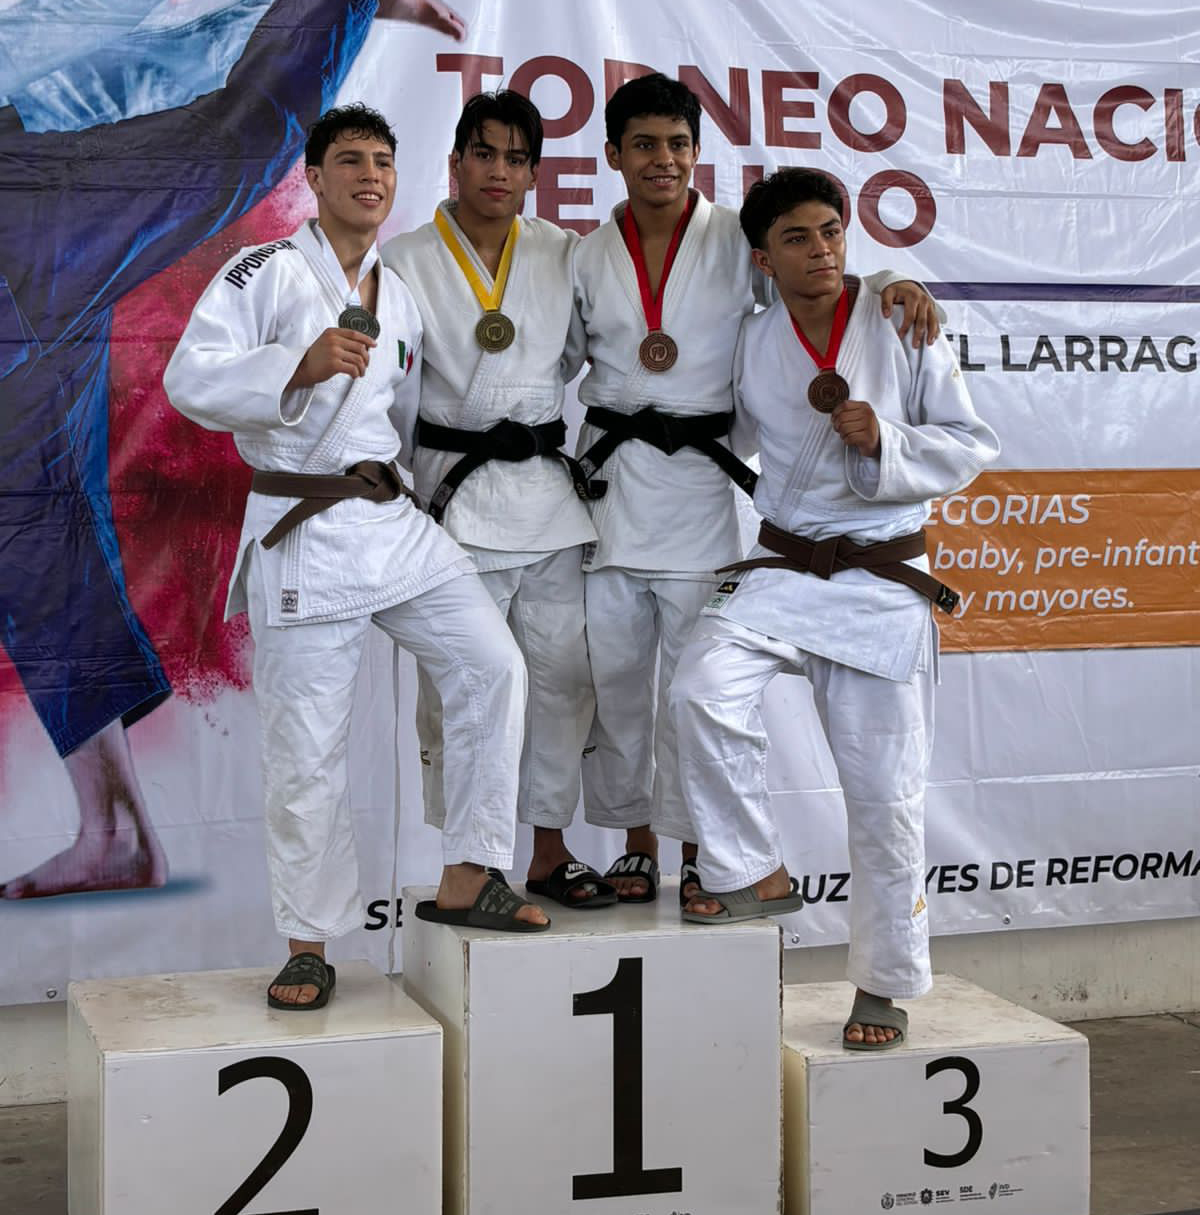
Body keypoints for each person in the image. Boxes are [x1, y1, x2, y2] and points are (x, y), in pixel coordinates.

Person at [0, 0, 467, 900]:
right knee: (32, 522)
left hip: (24, 212)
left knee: (231, 145)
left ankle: (116, 827)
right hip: (24, 249)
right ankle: (116, 828)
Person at [164, 103, 548, 1011]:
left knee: (492, 665)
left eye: (382, 161)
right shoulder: (262, 269)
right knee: (307, 748)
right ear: (314, 177)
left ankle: (471, 870)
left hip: (388, 516)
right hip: (304, 527)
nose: (369, 176)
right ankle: (309, 944)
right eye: (349, 160)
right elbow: (188, 376)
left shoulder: (397, 291)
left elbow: (399, 419)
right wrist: (294, 367)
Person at [571, 72, 943, 905]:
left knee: (691, 678)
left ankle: (704, 851)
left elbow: (825, 283)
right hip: (617, 476)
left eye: (677, 144)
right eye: (644, 144)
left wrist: (897, 278)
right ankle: (636, 838)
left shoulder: (737, 240)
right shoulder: (586, 253)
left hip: (704, 479)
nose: (663, 159)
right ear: (614, 155)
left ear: (697, 153)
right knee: (617, 679)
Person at [669, 167, 999, 1049]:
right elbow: (730, 428)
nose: (820, 251)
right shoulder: (752, 339)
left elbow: (971, 443)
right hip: (783, 563)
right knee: (699, 688)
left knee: (884, 797)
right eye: (797, 238)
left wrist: (887, 440)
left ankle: (883, 983)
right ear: (763, 260)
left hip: (880, 578)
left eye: (832, 232)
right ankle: (754, 867)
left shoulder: (902, 321)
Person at [381, 92, 615, 909]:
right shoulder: (403, 258)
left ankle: (549, 848)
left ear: (534, 173)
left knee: (562, 677)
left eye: (517, 159)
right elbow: (392, 386)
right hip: (454, 497)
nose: (500, 172)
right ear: (455, 162)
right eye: (485, 154)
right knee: (465, 684)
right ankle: (469, 861)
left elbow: (581, 353)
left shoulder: (563, 251)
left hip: (544, 496)